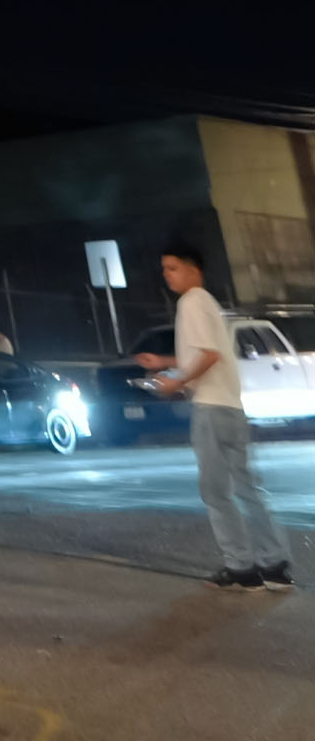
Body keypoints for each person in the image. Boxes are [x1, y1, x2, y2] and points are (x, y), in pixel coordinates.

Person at [136, 239, 291, 591]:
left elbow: (207, 357)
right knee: (247, 488)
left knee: (215, 491)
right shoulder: (209, 305)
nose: (166, 276)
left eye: (172, 268)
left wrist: (175, 384)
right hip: (231, 408)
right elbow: (206, 352)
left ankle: (241, 568)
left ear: (194, 270)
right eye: (164, 269)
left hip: (210, 408)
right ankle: (275, 566)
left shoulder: (191, 302)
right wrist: (164, 363)